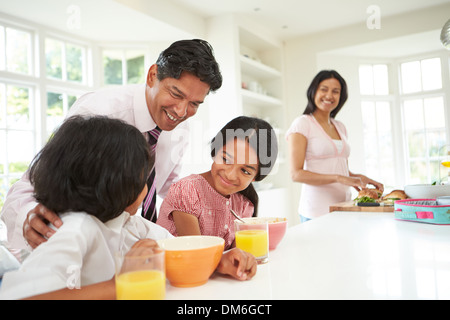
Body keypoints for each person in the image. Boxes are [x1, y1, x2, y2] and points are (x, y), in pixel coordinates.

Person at [0, 116, 256, 300]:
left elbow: (182, 249)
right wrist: (120, 284)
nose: (147, 189)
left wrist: (220, 262)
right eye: (143, 179)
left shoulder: (130, 223)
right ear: (114, 186)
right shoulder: (74, 229)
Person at [0, 39, 223, 251]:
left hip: (131, 247)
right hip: (75, 249)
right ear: (152, 75)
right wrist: (28, 216)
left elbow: (167, 187)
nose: (182, 111)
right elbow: (33, 184)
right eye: (176, 94)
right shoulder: (98, 112)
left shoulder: (179, 129)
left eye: (194, 104)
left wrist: (218, 180)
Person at [157, 116, 278, 249]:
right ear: (216, 150)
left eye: (245, 171)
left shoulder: (244, 205)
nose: (230, 175)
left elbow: (237, 256)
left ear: (255, 177)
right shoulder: (187, 191)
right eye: (226, 159)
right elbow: (198, 255)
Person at [286, 70, 383, 222]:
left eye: (335, 91)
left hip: (344, 207)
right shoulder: (302, 123)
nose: (329, 95)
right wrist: (339, 178)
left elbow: (341, 170)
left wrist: (360, 178)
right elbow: (296, 174)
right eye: (324, 89)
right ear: (313, 91)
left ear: (341, 96)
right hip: (316, 211)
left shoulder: (340, 126)